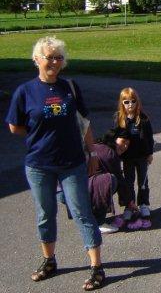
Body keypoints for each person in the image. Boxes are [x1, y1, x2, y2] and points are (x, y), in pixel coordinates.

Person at [5, 36, 106, 290]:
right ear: (36, 60)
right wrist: (40, 134)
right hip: (39, 164)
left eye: (58, 57)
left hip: (72, 162)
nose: (54, 62)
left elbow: (84, 122)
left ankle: (96, 267)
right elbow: (14, 126)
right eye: (49, 57)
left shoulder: (70, 87)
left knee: (83, 212)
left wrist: (93, 152)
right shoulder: (25, 91)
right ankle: (49, 261)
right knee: (45, 214)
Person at [61, 129, 133, 235]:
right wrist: (129, 202)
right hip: (76, 191)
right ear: (114, 139)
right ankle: (99, 222)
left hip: (67, 190)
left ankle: (88, 217)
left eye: (128, 144)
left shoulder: (97, 146)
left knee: (101, 181)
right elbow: (120, 180)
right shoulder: (109, 153)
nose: (125, 146)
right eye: (123, 141)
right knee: (110, 181)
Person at [113, 87, 155, 227]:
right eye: (126, 102)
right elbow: (116, 137)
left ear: (137, 102)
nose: (130, 104)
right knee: (128, 182)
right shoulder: (120, 119)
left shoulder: (143, 119)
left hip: (142, 156)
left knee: (143, 182)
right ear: (122, 103)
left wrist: (150, 153)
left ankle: (143, 204)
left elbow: (149, 137)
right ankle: (130, 205)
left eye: (133, 101)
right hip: (128, 157)